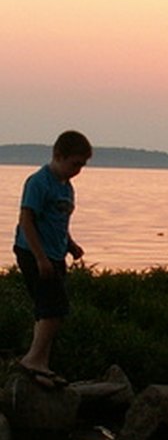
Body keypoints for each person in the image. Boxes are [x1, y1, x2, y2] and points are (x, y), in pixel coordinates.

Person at [13, 130, 92, 389]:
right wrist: (40, 258)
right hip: (33, 253)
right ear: (59, 156)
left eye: (82, 165)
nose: (78, 170)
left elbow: (59, 221)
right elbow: (27, 221)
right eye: (75, 164)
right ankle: (31, 360)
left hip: (55, 254)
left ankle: (41, 364)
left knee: (46, 310)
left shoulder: (66, 187)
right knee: (55, 308)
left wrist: (71, 244)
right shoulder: (38, 182)